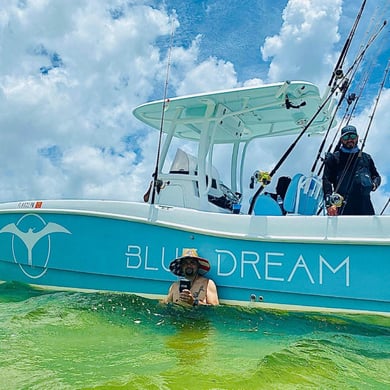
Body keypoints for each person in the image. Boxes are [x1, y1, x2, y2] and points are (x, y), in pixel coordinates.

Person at [322, 125, 381, 216]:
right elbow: (327, 181)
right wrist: (329, 203)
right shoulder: (333, 158)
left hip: (365, 205)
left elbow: (376, 176)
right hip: (342, 206)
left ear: (357, 138)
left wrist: (374, 185)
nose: (350, 139)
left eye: (352, 136)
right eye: (346, 137)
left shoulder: (366, 158)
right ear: (341, 140)